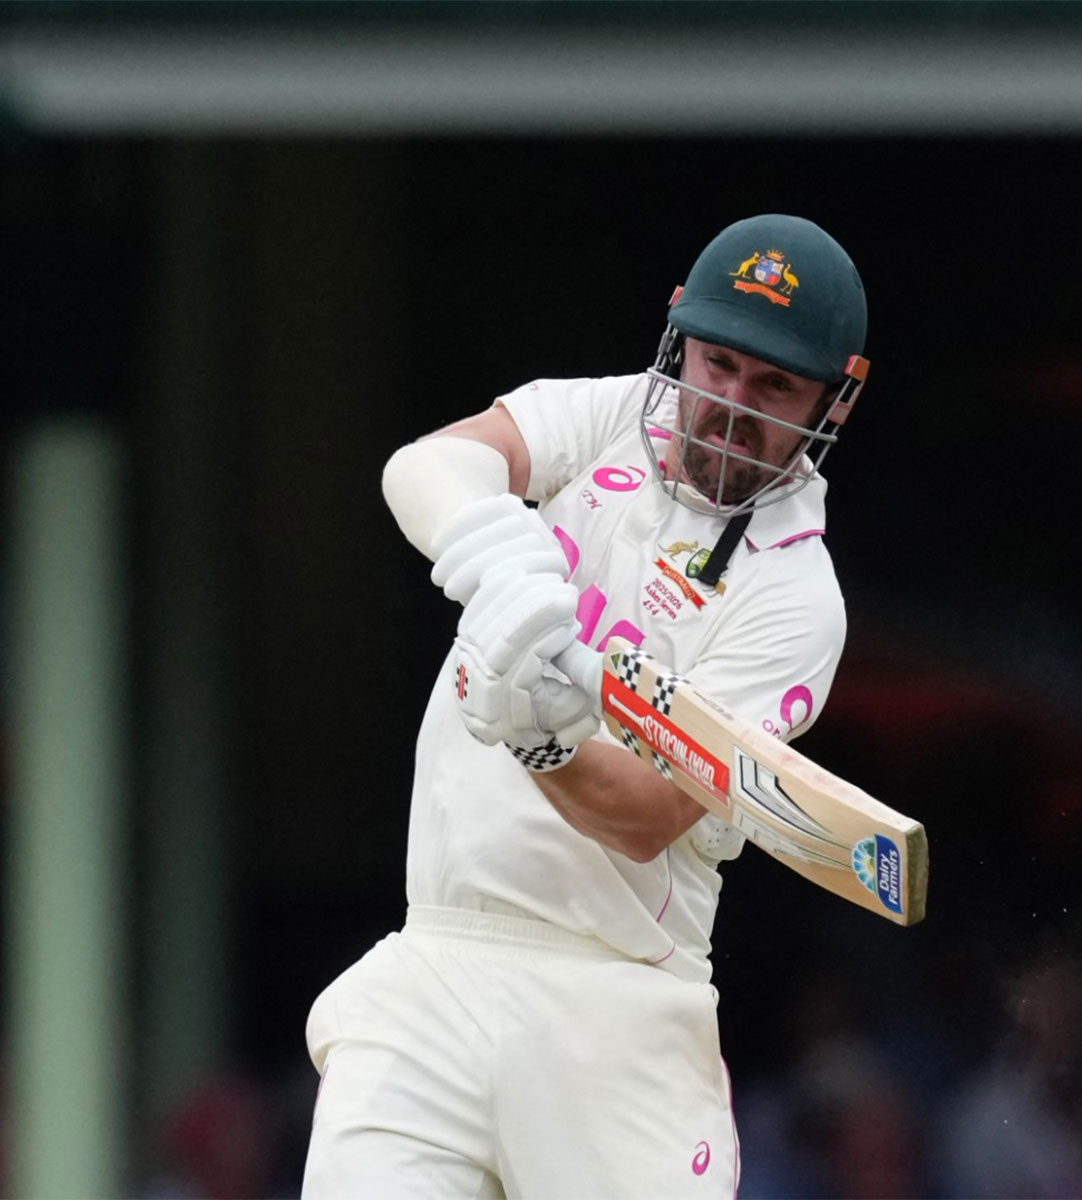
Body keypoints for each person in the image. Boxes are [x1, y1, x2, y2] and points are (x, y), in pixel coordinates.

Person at [300, 213, 870, 1198]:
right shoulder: (606, 417)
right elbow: (424, 465)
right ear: (676, 337)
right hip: (439, 961)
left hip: (615, 1010)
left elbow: (651, 816)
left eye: (773, 386)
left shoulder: (796, 601)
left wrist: (537, 731)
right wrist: (498, 549)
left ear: (837, 400)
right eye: (718, 365)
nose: (730, 406)